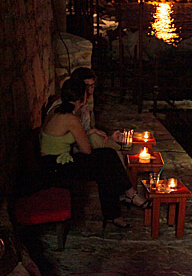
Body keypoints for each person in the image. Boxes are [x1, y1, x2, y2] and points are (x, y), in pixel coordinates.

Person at [40, 78, 148, 229]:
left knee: (106, 162)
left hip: (53, 163)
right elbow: (86, 150)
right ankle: (127, 197)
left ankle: (118, 209)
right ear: (82, 98)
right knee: (106, 159)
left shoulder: (57, 111)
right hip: (56, 168)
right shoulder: (71, 119)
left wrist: (90, 132)